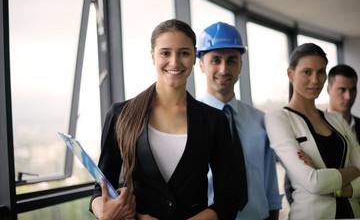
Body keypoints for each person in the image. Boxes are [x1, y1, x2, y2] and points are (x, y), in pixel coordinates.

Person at [90, 19, 240, 220]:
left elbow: (228, 199)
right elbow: (100, 189)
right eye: (165, 53)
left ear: (195, 57)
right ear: (153, 55)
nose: (175, 62)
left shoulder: (214, 120)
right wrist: (105, 212)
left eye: (184, 53)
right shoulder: (121, 114)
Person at [197, 21, 282, 220]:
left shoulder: (261, 120)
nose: (224, 69)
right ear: (201, 64)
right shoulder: (189, 121)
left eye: (231, 60)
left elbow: (270, 187)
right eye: (215, 60)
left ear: (240, 66)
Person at [265, 43, 360, 219]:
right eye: (307, 72)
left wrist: (333, 185)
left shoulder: (336, 119)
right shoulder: (278, 118)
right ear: (290, 74)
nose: (315, 80)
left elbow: (320, 181)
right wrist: (354, 171)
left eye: (321, 72)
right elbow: (314, 183)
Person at [327, 64, 359, 143]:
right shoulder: (317, 125)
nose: (348, 97)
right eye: (342, 90)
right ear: (328, 90)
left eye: (353, 89)